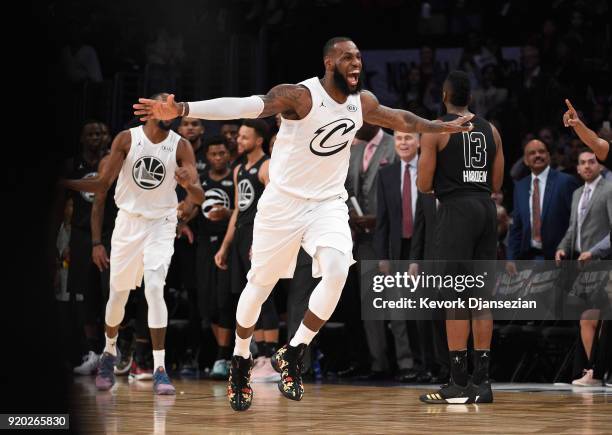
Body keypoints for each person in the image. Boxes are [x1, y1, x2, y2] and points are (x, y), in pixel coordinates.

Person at [133, 37, 473, 411]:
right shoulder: (300, 97)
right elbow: (249, 104)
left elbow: (401, 119)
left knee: (337, 270)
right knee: (259, 286)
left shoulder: (363, 103)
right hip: (282, 204)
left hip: (327, 203)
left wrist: (442, 127)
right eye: (348, 57)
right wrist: (183, 107)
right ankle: (240, 358)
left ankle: (292, 353)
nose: (356, 62)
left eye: (359, 57)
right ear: (329, 63)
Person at [62, 93, 205, 395]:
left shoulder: (181, 145)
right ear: (151, 110)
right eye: (163, 104)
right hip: (128, 223)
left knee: (154, 287)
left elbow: (199, 196)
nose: (170, 110)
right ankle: (109, 352)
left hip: (161, 224)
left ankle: (159, 368)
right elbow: (102, 185)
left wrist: (188, 182)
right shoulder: (127, 139)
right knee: (118, 296)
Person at [417, 70, 504, 404]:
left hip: (456, 211)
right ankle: (482, 384)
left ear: (444, 96)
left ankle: (457, 382)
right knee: (480, 298)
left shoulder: (436, 129)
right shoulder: (491, 129)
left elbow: (424, 185)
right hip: (485, 209)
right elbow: (497, 184)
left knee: (455, 298)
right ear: (471, 98)